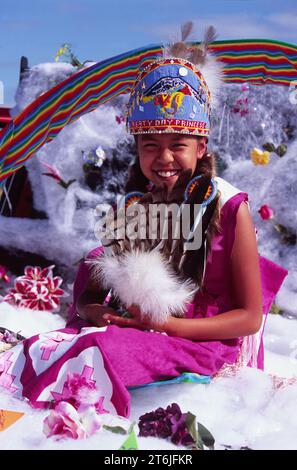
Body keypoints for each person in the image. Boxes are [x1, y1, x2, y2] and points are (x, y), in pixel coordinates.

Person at [0, 29, 288, 418]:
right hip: (142, 331)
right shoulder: (138, 208)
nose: (164, 157)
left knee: (91, 356)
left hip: (205, 344)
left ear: (201, 147)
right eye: (150, 145)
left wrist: (167, 325)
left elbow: (250, 318)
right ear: (137, 149)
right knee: (40, 346)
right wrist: (94, 313)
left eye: (178, 145)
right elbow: (90, 293)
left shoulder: (230, 206)